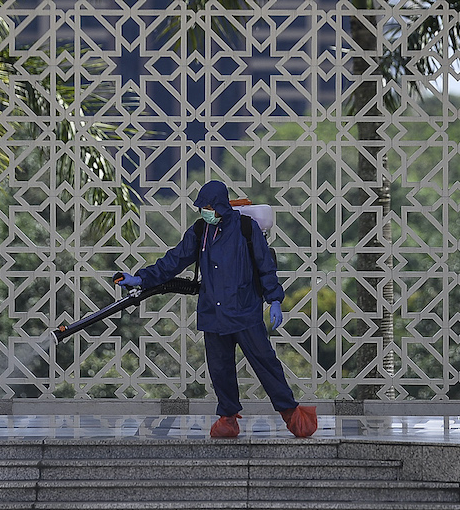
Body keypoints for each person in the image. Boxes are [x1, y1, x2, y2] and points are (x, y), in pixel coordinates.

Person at [118, 180, 317, 438]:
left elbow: (265, 265)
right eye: (203, 207)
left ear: (221, 205)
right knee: (220, 370)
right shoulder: (201, 231)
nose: (205, 211)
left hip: (244, 312)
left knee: (266, 365)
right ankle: (228, 418)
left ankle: (293, 415)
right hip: (213, 314)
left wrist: (274, 299)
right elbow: (173, 261)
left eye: (209, 206)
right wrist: (140, 278)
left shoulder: (247, 229)